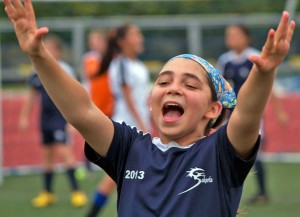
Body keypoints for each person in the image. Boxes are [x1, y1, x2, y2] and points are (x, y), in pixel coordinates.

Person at [4, 1, 295, 216]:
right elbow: (82, 111)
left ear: (212, 109)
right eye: (163, 81)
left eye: (190, 85)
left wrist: (264, 72)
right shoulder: (131, 149)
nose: (173, 88)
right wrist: (38, 54)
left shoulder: (220, 154)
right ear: (152, 100)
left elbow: (246, 114)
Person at [217, 24, 289, 205]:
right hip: (231, 116)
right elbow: (221, 88)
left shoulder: (256, 57)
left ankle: (262, 192)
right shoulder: (225, 60)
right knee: (226, 151)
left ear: (246, 37)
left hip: (252, 116)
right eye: (228, 34)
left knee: (254, 152)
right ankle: (225, 190)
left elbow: (269, 86)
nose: (230, 38)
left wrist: (279, 112)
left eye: (235, 34)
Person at [86, 24, 151, 217]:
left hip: (137, 128)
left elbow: (143, 98)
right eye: (135, 34)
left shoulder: (138, 65)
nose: (140, 38)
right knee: (121, 177)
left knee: (127, 176)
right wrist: (142, 125)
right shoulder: (120, 63)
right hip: (126, 128)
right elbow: (128, 97)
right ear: (122, 41)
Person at [18, 33, 87, 208]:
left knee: (65, 153)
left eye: (51, 49)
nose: (47, 52)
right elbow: (32, 96)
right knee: (46, 154)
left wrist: (72, 121)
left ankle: (76, 192)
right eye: (45, 48)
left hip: (60, 118)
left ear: (58, 52)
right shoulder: (37, 70)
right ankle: (47, 193)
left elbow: (74, 96)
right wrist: (24, 116)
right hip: (45, 119)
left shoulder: (64, 70)